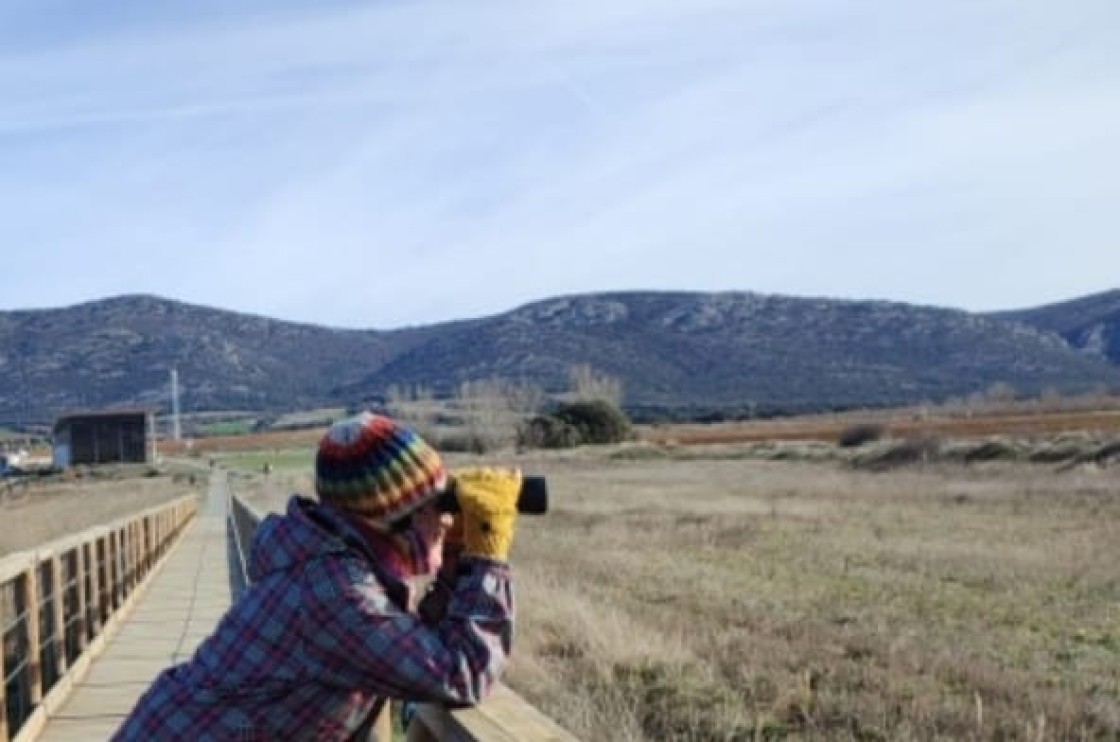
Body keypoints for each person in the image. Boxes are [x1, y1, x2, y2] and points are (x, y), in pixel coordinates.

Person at [114, 411, 521, 740]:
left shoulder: (328, 568)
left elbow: (420, 648)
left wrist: (455, 565)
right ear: (391, 518)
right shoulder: (335, 593)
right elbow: (460, 674)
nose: (447, 520)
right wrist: (488, 559)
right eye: (438, 506)